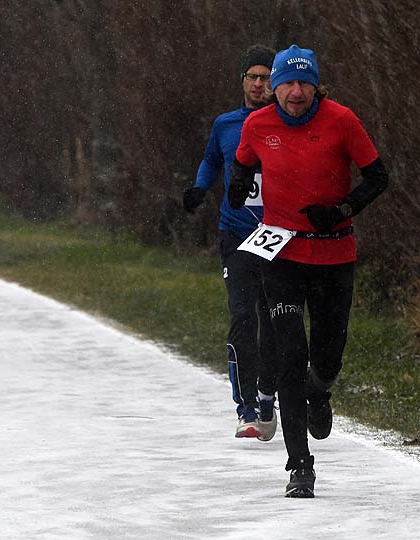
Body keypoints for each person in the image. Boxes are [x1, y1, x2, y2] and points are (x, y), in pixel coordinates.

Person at [228, 45, 388, 497]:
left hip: (335, 253)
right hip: (281, 254)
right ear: (273, 87)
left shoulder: (341, 120)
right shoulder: (258, 125)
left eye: (304, 83)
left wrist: (342, 208)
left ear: (316, 85)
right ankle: (300, 465)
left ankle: (321, 389)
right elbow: (242, 163)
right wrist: (238, 187)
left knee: (327, 355)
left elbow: (379, 177)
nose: (295, 92)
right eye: (286, 84)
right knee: (288, 354)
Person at [183, 45, 279, 441]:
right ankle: (247, 408)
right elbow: (210, 161)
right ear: (242, 80)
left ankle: (269, 394)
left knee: (277, 319)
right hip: (236, 233)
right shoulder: (225, 125)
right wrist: (199, 188)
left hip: (278, 236)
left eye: (266, 77)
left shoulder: (286, 124)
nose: (259, 84)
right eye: (252, 77)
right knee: (242, 316)